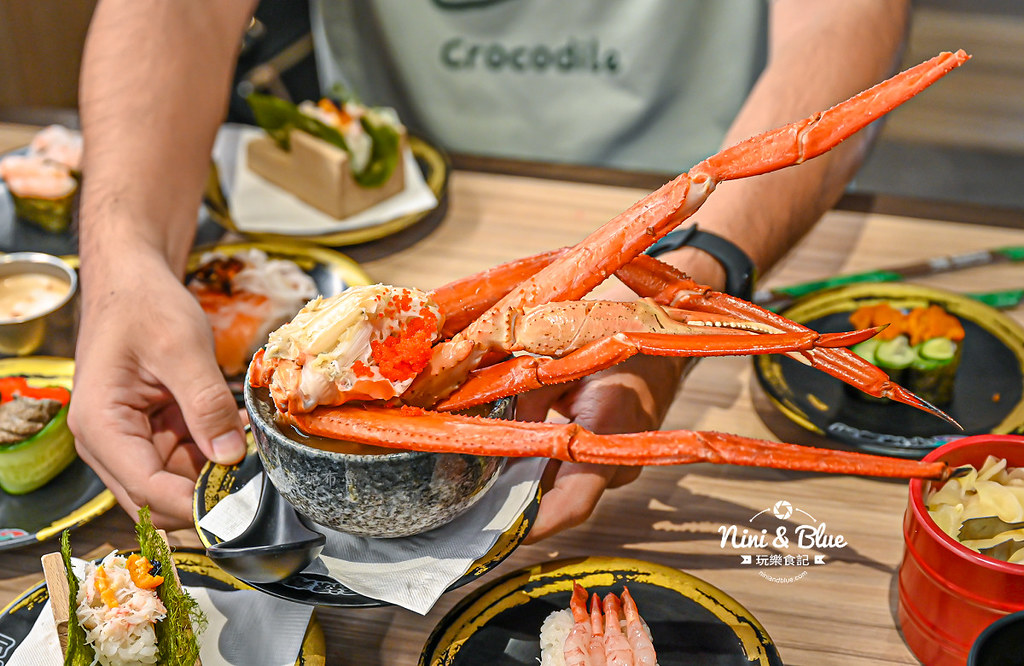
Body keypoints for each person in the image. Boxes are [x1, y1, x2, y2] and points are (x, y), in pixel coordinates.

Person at [68, 0, 910, 537]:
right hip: (400, 203)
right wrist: (121, 260)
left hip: (683, 179)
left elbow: (842, 15)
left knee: (644, 301)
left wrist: (711, 256)